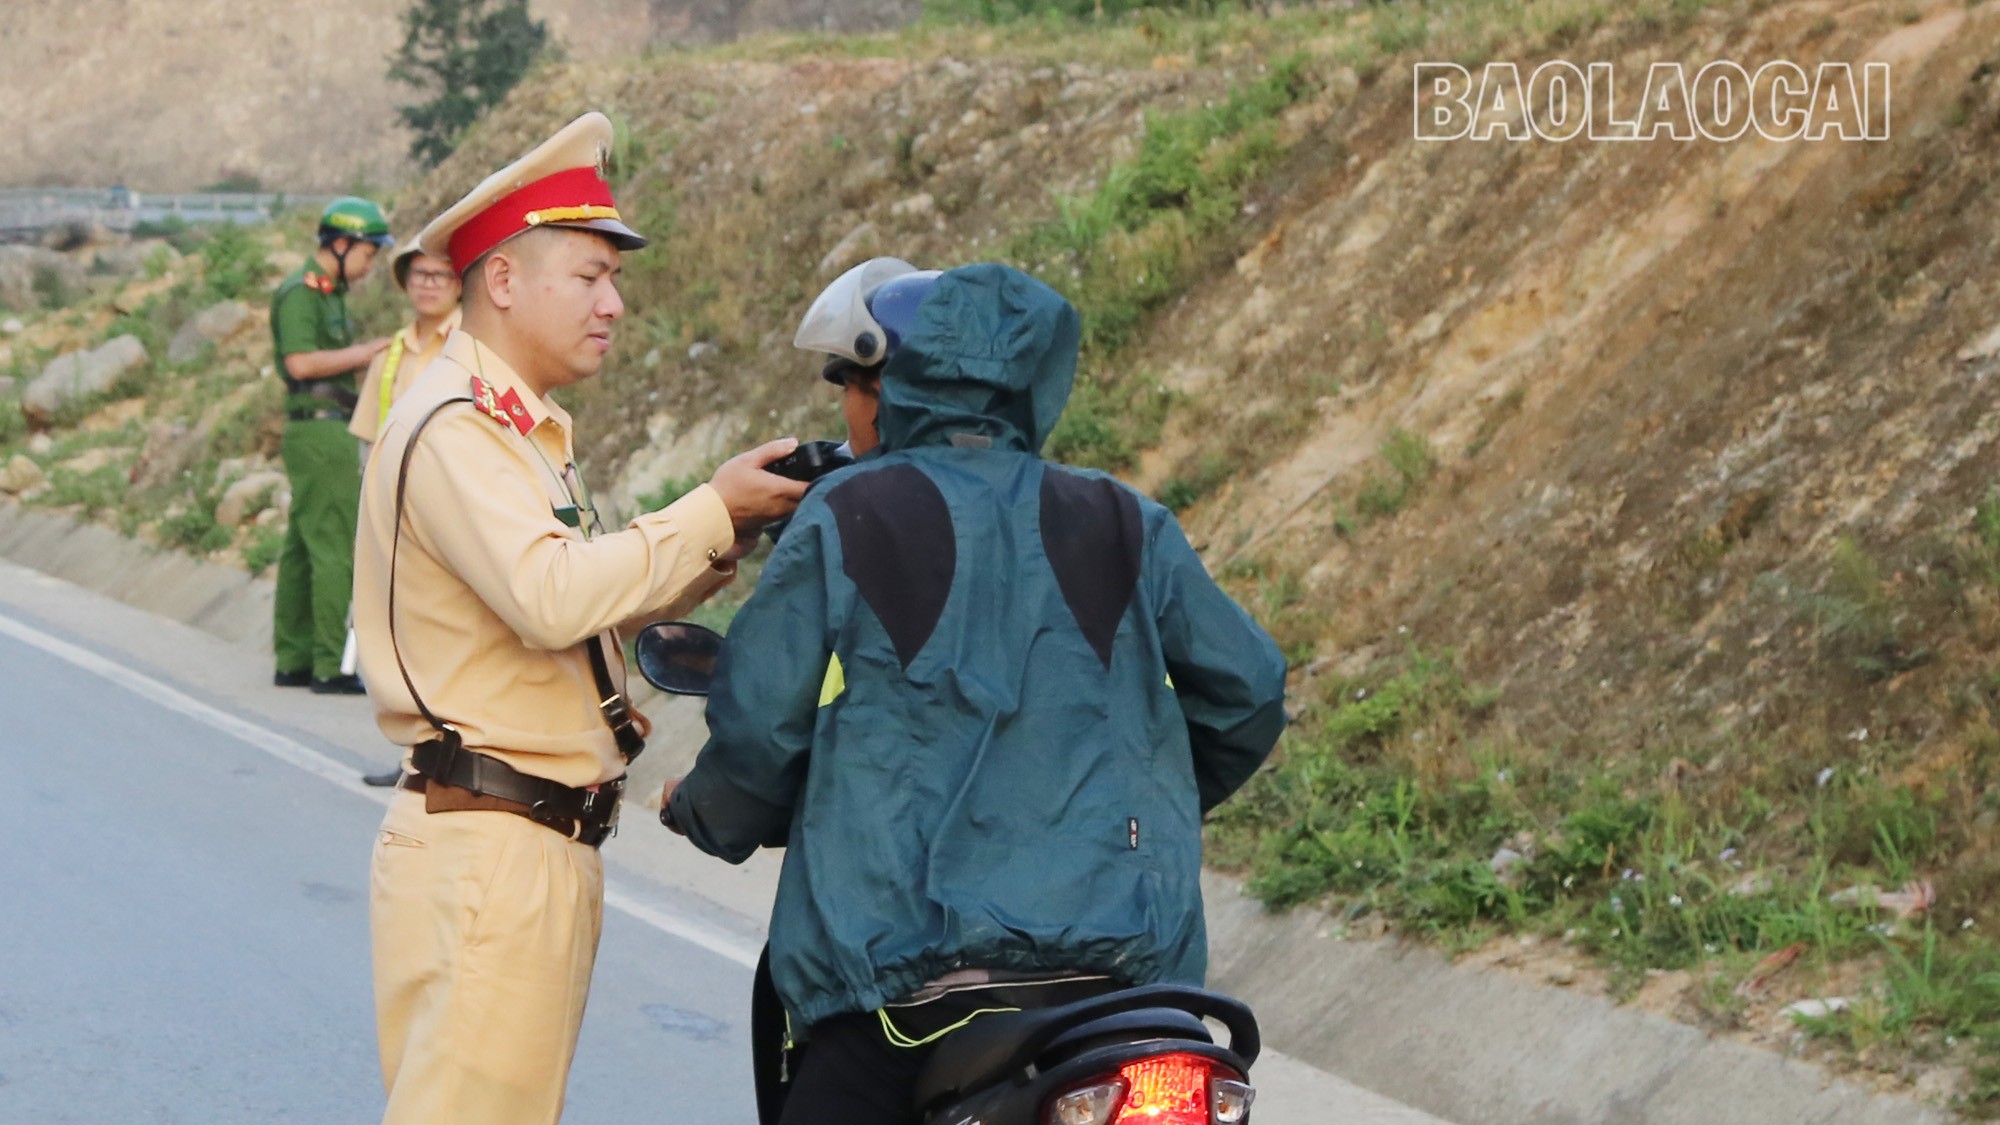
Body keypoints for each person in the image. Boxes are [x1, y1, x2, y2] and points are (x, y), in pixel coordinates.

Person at [661, 260, 1289, 1125]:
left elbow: (760, 729)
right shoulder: (1122, 517)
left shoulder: (848, 514)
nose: (845, 407)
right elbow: (1251, 693)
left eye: (850, 384)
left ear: (894, 388)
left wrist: (703, 813)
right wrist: (1138, 799)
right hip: (1126, 988)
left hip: (909, 987)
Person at [351, 111, 807, 1124]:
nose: (612, 304)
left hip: (527, 842)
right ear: (504, 282)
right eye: (589, 276)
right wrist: (706, 508)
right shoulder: (457, 425)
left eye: (615, 280)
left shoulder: (516, 424)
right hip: (490, 845)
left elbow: (566, 616)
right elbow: (549, 595)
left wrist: (712, 549)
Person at [270, 196, 394, 695]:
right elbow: (300, 363)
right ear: (341, 244)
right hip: (320, 429)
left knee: (302, 546)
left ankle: (293, 657)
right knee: (333, 544)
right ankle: (328, 664)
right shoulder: (302, 293)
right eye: (367, 253)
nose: (370, 264)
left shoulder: (330, 292)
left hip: (318, 426)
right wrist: (367, 353)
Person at [352, 243, 462, 788]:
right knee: (407, 634)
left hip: (458, 514)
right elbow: (372, 441)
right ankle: (417, 754)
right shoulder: (391, 353)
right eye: (420, 274)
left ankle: (452, 754)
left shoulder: (473, 348)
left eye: (441, 275)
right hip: (400, 516)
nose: (429, 284)